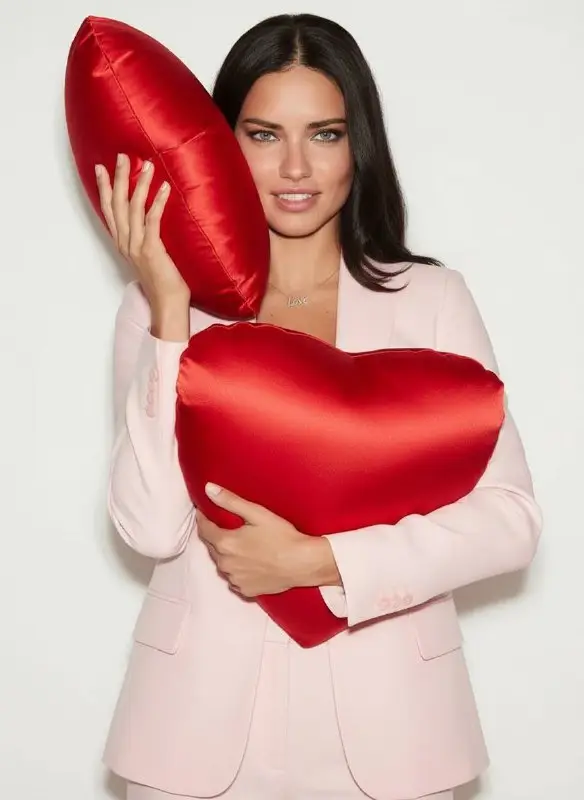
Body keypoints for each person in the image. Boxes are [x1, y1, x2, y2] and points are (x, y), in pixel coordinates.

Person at [96, 13, 542, 800]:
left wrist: (328, 562)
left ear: (357, 144)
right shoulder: (161, 309)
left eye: (325, 134)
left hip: (394, 731)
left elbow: (510, 518)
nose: (295, 166)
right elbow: (149, 525)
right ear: (220, 143)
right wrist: (170, 307)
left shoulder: (431, 299)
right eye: (264, 135)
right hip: (193, 733)